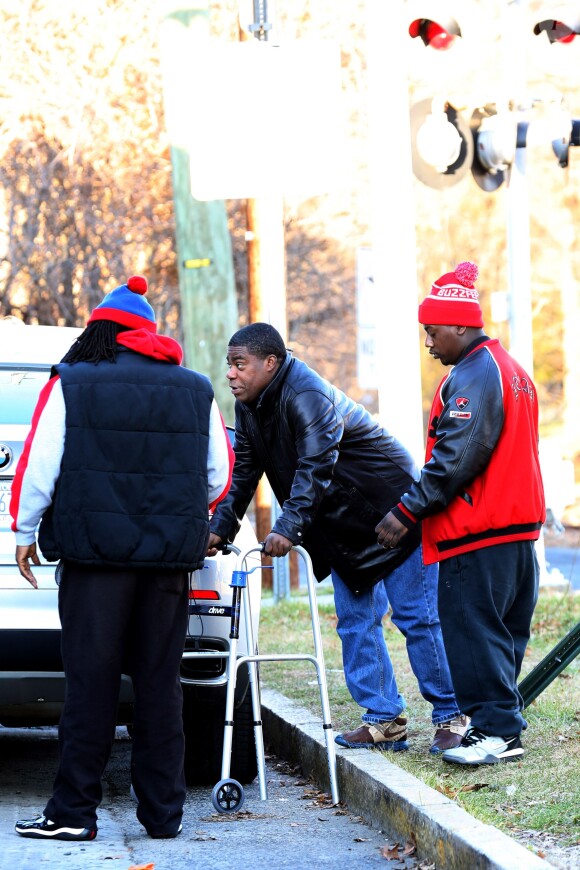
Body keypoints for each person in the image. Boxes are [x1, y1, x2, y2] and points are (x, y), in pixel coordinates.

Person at [10, 275, 233, 841]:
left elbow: (41, 463)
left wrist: (24, 529)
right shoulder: (196, 388)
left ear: (104, 331)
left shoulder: (73, 383)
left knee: (91, 684)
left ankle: (72, 814)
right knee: (160, 685)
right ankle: (163, 815)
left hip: (93, 562)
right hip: (165, 568)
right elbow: (218, 475)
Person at [207, 322, 467, 755]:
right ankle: (385, 720)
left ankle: (452, 715)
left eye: (240, 364)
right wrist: (220, 527)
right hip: (343, 525)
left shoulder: (307, 396)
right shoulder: (250, 405)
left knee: (416, 618)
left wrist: (287, 528)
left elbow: (315, 468)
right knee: (355, 622)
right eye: (229, 366)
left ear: (270, 363)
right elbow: (245, 471)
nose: (231, 374)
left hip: (392, 512)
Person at [375, 261, 545, 766]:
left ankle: (495, 733)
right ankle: (501, 723)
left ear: (459, 325)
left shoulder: (473, 375)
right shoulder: (510, 369)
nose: (429, 343)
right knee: (502, 634)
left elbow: (456, 456)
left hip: (479, 530)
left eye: (432, 332)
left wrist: (405, 512)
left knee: (473, 634)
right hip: (515, 530)